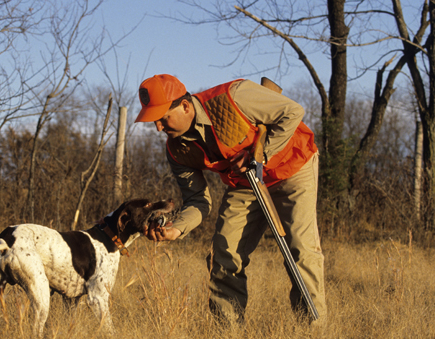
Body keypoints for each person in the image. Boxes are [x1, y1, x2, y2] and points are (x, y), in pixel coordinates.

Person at [134, 74, 326, 324]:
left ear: (184, 105)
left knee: (301, 248)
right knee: (222, 254)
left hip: (293, 167)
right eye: (154, 121)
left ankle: (314, 332)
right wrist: (176, 229)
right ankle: (228, 336)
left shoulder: (235, 96)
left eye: (163, 117)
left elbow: (292, 111)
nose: (159, 127)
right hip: (245, 184)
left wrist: (260, 153)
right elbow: (197, 200)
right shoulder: (177, 151)